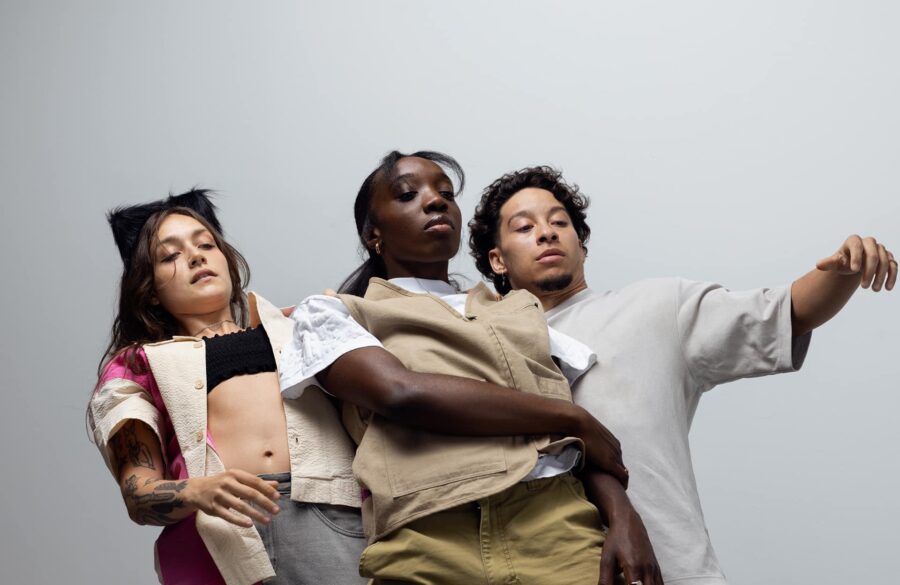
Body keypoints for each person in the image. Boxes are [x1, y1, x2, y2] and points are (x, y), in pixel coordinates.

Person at [467, 165, 897, 585]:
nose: (546, 232)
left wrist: (844, 270)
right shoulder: (479, 347)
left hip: (670, 565)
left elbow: (788, 312)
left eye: (559, 221)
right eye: (524, 228)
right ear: (497, 260)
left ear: (581, 243)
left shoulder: (655, 308)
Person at [279, 150, 662, 585]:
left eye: (445, 193)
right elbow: (400, 393)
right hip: (427, 540)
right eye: (408, 194)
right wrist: (571, 417)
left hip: (557, 528)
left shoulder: (521, 309)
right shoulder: (334, 313)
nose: (436, 201)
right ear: (373, 234)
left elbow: (577, 441)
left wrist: (624, 519)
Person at [88, 190, 367, 585]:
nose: (196, 256)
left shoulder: (300, 327)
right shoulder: (138, 365)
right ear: (148, 288)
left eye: (205, 244)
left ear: (227, 260)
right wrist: (198, 491)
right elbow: (139, 494)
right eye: (170, 256)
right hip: (218, 534)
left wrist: (334, 317)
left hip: (328, 512)